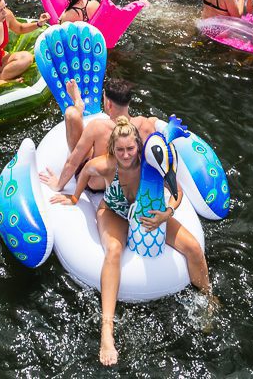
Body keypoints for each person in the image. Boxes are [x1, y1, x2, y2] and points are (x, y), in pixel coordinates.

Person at [49, 117, 213, 366]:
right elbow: (84, 172)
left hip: (148, 214)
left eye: (130, 149)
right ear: (113, 148)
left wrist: (166, 214)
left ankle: (208, 297)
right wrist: (73, 198)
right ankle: (107, 332)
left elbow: (176, 191)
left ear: (138, 146)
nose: (126, 155)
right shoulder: (105, 165)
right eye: (120, 150)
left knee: (192, 247)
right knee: (113, 251)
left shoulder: (150, 165)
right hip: (114, 212)